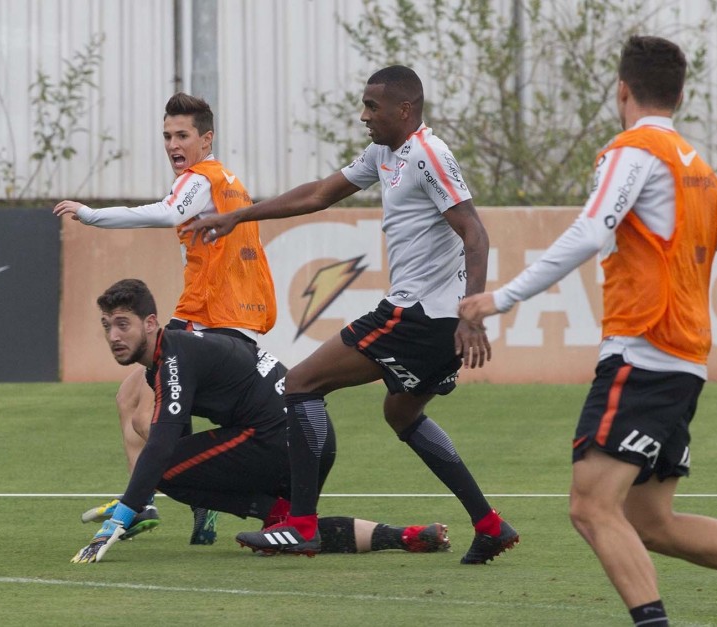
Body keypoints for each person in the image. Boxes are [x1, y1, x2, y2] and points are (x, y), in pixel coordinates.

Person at [183, 65, 518, 563]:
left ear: (404, 110)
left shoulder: (428, 154)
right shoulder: (385, 153)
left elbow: (475, 232)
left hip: (419, 315)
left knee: (300, 383)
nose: (363, 115)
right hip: (433, 319)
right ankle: (489, 525)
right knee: (401, 412)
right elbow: (320, 192)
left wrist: (472, 314)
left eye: (372, 106)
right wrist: (238, 214)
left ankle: (300, 525)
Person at [458, 35, 717, 626]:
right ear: (681, 95)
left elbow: (590, 232)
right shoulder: (703, 175)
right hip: (684, 363)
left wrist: (500, 298)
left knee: (589, 507)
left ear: (622, 91)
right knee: (652, 523)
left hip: (644, 353)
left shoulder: (631, 153)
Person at [71, 278, 451, 563]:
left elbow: (165, 444)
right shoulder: (178, 351)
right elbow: (175, 431)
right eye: (107, 326)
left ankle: (275, 516)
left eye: (123, 324)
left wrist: (122, 514)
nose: (114, 336)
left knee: (163, 468)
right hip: (313, 438)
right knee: (294, 526)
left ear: (151, 323)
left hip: (281, 439)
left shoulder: (174, 356)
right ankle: (404, 536)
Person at [54, 92, 277, 544]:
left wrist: (90, 215)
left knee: (148, 417)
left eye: (182, 135)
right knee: (128, 398)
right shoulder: (228, 181)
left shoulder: (201, 177)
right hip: (215, 315)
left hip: (211, 319)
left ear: (206, 139)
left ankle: (190, 498)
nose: (173, 144)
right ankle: (150, 503)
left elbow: (166, 212)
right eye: (167, 136)